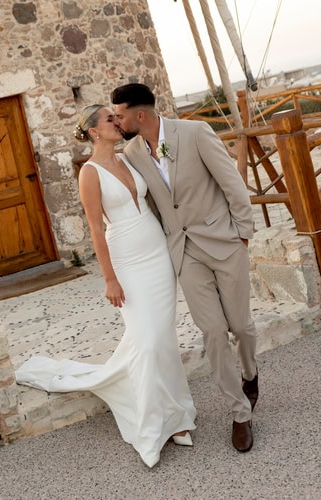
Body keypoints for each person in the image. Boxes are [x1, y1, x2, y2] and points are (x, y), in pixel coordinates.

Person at [15, 104, 197, 468]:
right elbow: (96, 229)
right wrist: (110, 278)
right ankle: (151, 425)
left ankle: (177, 414)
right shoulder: (89, 172)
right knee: (146, 341)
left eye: (117, 118)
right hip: (127, 260)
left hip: (157, 253)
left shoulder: (130, 158)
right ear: (94, 131)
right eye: (110, 120)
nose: (117, 122)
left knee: (162, 337)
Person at [111, 83, 258, 453]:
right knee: (213, 331)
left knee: (241, 326)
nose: (117, 121)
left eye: (120, 115)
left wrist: (242, 234)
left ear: (139, 114)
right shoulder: (131, 153)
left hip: (224, 242)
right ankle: (240, 413)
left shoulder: (195, 133)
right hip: (184, 253)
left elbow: (232, 183)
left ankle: (250, 372)